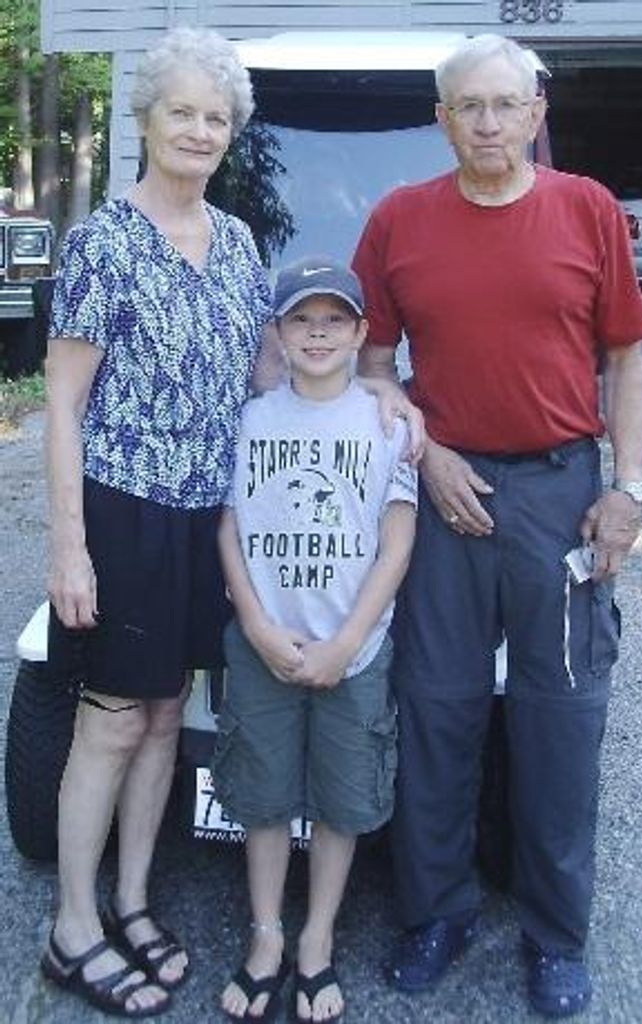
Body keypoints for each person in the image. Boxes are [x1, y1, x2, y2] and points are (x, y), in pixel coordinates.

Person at [352, 33, 642, 1020]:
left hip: (561, 494)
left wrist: (628, 490)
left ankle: (555, 933)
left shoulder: (587, 209)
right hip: (447, 494)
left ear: (535, 113)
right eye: (467, 106)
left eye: (504, 104)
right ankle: (434, 911)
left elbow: (624, 360)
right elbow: (373, 367)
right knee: (436, 709)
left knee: (560, 716)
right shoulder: (399, 221)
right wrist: (426, 453)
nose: (487, 123)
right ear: (442, 120)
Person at [40, 27, 274, 1018]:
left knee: (170, 710)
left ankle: (132, 903)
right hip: (125, 508)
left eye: (216, 117)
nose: (199, 130)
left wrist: (373, 394)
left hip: (205, 517)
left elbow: (264, 373)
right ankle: (72, 928)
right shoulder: (103, 242)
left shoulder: (240, 243)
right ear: (146, 117)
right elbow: (61, 403)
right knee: (112, 719)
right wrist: (69, 547)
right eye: (182, 111)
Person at [213, 257, 417, 1023]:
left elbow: (397, 541)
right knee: (262, 797)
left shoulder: (385, 422)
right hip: (264, 642)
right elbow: (228, 527)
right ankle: (266, 934)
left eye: (334, 320)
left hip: (351, 651)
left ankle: (316, 939)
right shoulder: (252, 420)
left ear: (362, 333)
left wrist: (347, 641)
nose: (318, 333)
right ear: (278, 333)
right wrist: (256, 623)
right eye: (301, 319)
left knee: (341, 800)